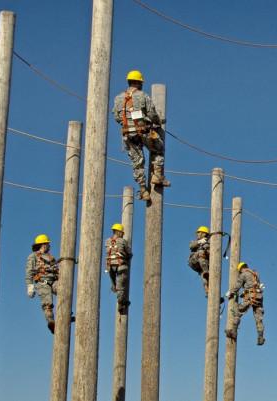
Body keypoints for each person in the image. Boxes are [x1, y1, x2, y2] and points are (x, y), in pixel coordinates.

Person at [112, 70, 169, 201]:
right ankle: (158, 176)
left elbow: (117, 117)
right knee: (158, 148)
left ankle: (143, 191)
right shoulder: (143, 96)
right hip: (143, 132)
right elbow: (152, 114)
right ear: (139, 83)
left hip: (128, 134)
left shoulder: (118, 98)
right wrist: (157, 123)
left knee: (137, 163)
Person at [225, 262, 266, 346]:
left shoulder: (244, 274)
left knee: (238, 311)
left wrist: (230, 292)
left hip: (250, 296)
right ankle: (260, 338)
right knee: (259, 318)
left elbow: (238, 285)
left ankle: (233, 331)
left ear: (241, 269)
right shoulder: (255, 274)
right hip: (259, 298)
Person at [25, 234, 59, 333]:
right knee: (47, 303)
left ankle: (65, 313)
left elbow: (56, 270)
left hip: (54, 281)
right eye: (48, 244)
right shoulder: (33, 256)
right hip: (42, 282)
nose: (49, 246)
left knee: (64, 291)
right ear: (43, 245)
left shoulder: (50, 257)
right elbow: (29, 271)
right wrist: (30, 285)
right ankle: (51, 322)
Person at [105, 223, 132, 313]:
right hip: (121, 266)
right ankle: (121, 303)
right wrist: (128, 257)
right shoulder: (123, 241)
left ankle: (114, 286)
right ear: (119, 232)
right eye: (122, 232)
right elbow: (128, 253)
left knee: (115, 284)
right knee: (121, 286)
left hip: (110, 266)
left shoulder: (107, 241)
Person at [188, 226, 211, 296]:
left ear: (204, 234)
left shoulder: (210, 243)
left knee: (204, 275)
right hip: (194, 260)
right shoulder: (195, 242)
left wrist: (207, 248)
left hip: (203, 263)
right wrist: (200, 242)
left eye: (199, 233)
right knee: (201, 252)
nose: (197, 234)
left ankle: (208, 291)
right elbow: (191, 246)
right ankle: (206, 272)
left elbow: (211, 253)